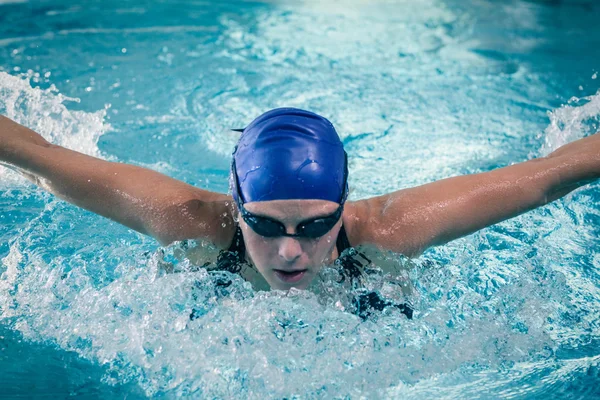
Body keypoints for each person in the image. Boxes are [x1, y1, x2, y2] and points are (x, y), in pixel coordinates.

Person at [1, 107, 599, 296]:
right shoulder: (185, 218)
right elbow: (38, 156)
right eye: (263, 223)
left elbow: (549, 176)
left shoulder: (388, 231)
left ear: (345, 205)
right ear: (236, 207)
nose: (291, 250)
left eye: (316, 226)